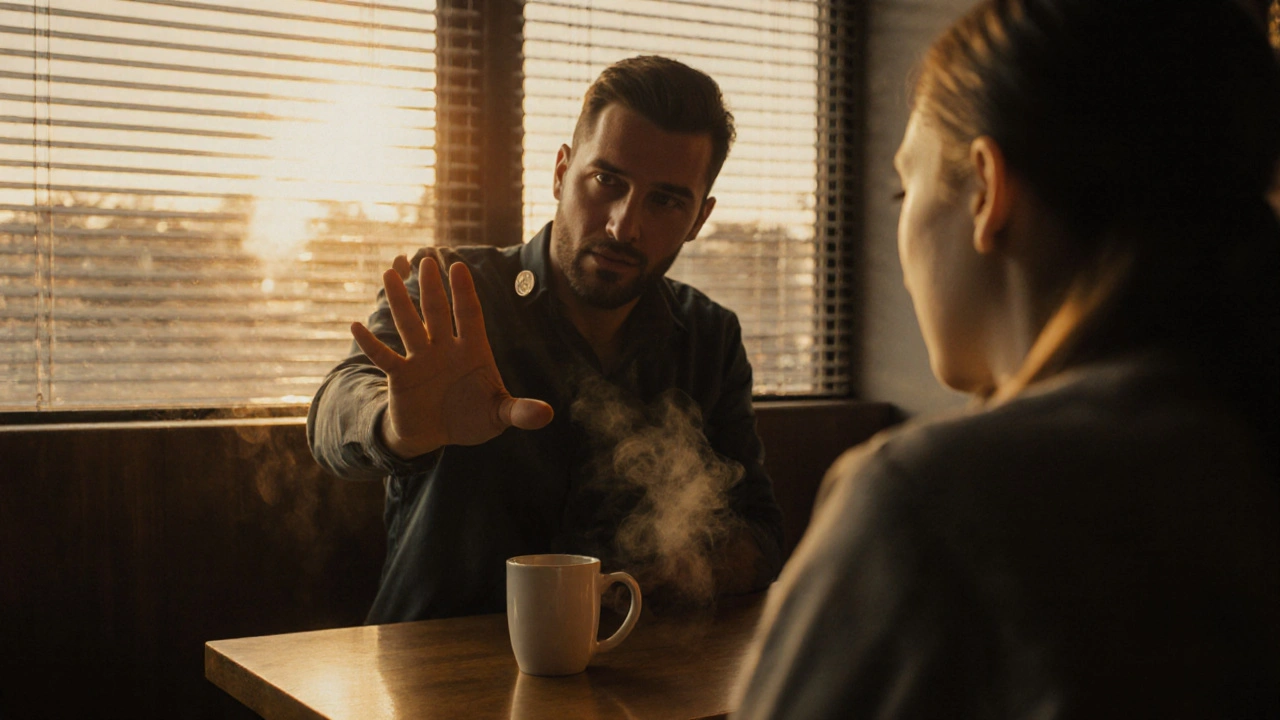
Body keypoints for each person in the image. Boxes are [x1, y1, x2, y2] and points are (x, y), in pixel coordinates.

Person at [733, 0, 1280, 717]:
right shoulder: (1235, 451)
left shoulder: (930, 501)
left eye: (906, 187)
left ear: (988, 190)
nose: (900, 237)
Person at [308, 55, 784, 623]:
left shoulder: (709, 336)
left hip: (628, 679)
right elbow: (333, 410)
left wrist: (678, 570)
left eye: (665, 200)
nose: (623, 226)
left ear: (698, 220)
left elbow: (760, 532)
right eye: (607, 181)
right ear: (561, 172)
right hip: (432, 670)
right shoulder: (457, 290)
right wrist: (396, 425)